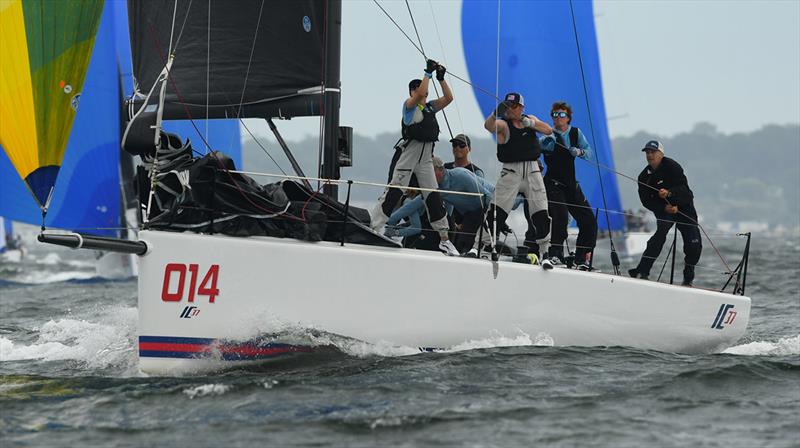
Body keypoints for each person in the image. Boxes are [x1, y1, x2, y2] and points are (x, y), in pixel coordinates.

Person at [371, 59, 459, 256]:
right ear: (412, 91)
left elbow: (448, 98)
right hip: (409, 155)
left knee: (433, 197)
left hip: (426, 157)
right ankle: (375, 227)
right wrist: (427, 74)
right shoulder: (409, 107)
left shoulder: (430, 108)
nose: (425, 93)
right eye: (421, 90)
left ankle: (444, 239)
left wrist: (441, 77)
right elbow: (420, 93)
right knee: (394, 192)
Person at [483, 92, 555, 267]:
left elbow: (548, 130)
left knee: (540, 212)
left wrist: (531, 123)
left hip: (532, 170)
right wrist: (495, 113)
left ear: (521, 107)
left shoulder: (529, 119)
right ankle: (484, 246)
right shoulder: (504, 125)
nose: (510, 110)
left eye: (514, 106)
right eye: (507, 106)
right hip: (511, 171)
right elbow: (489, 126)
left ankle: (545, 252)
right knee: (497, 210)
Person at [628, 140, 702, 286]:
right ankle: (642, 271)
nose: (650, 155)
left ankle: (688, 278)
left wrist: (670, 194)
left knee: (693, 243)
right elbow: (646, 201)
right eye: (647, 153)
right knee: (660, 234)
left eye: (653, 152)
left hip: (684, 207)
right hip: (664, 209)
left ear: (661, 154)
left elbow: (685, 191)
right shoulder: (644, 177)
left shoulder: (672, 167)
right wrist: (663, 208)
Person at [385, 157, 493, 255]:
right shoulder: (436, 188)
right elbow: (412, 205)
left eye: (430, 173)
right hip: (469, 214)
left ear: (440, 170)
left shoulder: (460, 175)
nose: (427, 177)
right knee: (462, 245)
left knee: (469, 244)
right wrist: (388, 220)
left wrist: (493, 217)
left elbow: (486, 196)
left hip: (490, 204)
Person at [540, 101, 597, 269]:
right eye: (555, 115)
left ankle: (581, 258)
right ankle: (555, 254)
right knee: (561, 215)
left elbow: (589, 153)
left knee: (589, 221)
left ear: (568, 118)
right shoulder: (548, 135)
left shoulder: (575, 133)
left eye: (562, 114)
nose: (558, 117)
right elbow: (536, 148)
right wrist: (544, 147)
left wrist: (579, 152)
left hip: (571, 184)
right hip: (553, 183)